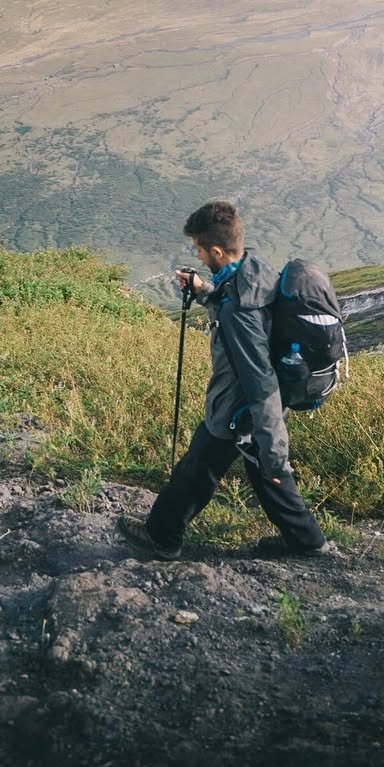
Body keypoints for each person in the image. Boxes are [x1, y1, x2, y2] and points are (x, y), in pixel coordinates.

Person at [119, 199, 330, 560]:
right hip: (250, 406)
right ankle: (306, 540)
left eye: (200, 249)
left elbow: (259, 378)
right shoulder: (253, 272)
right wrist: (203, 291)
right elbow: (234, 302)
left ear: (216, 250)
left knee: (200, 468)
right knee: (263, 474)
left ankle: (162, 536)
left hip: (239, 407)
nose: (198, 256)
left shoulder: (238, 313)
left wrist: (275, 447)